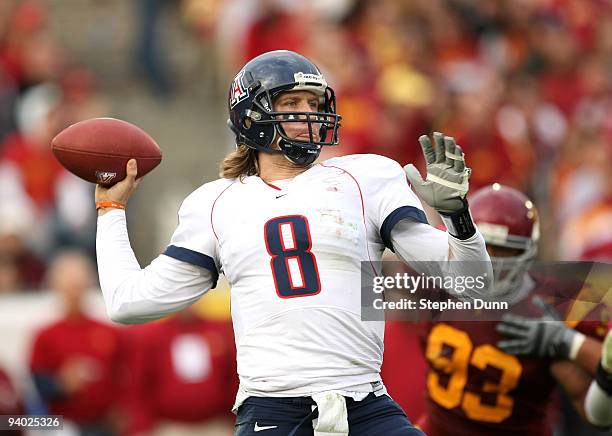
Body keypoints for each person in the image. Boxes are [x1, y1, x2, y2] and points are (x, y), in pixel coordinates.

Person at [94, 50, 491, 435]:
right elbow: (128, 302)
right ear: (251, 116)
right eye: (292, 102)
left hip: (364, 404)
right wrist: (111, 208)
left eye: (314, 102)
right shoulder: (215, 204)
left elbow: (473, 285)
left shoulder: (366, 178)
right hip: (273, 411)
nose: (308, 114)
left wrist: (457, 217)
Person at [417, 184, 608, 436]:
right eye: (483, 246)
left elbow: (596, 413)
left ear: (528, 252)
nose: (491, 261)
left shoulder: (548, 306)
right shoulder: (437, 282)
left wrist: (566, 341)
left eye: (505, 250)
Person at [29, 250, 127, 436]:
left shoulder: (108, 331)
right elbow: (37, 384)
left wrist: (122, 410)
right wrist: (61, 384)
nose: (75, 292)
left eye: (79, 285)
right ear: (56, 287)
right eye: (69, 285)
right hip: (63, 426)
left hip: (105, 424)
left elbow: (123, 376)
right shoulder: (45, 335)